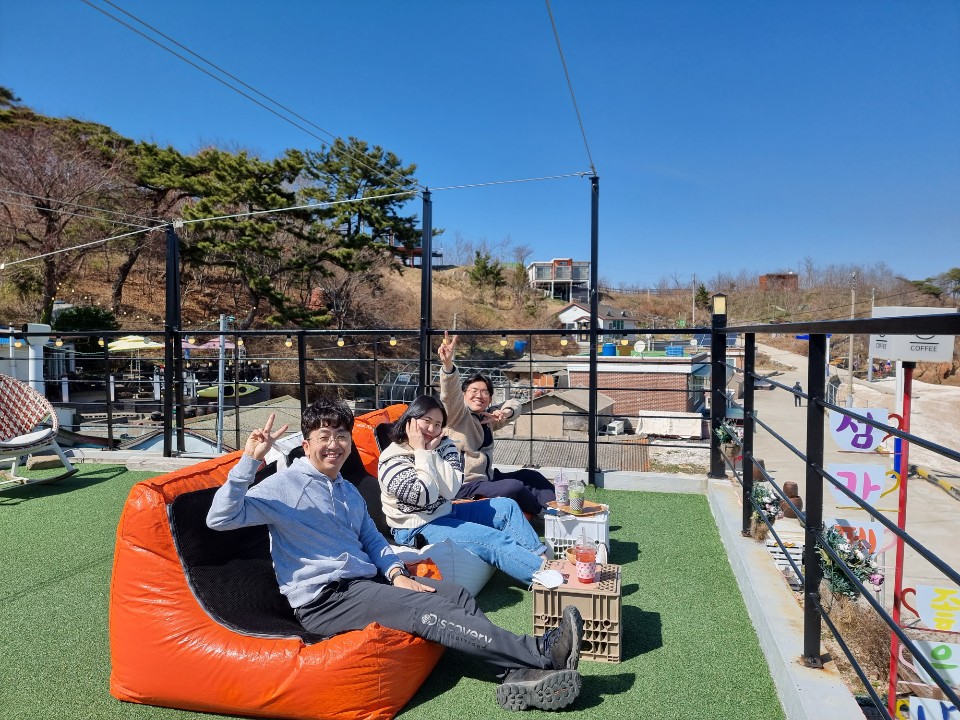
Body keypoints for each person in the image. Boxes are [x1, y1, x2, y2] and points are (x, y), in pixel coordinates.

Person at [206, 399, 584, 712]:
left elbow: (372, 539)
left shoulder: (346, 490)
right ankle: (542, 651)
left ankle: (515, 674)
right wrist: (248, 462)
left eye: (341, 436)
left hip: (365, 583)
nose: (334, 445)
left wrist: (397, 574)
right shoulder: (284, 485)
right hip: (325, 599)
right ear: (306, 445)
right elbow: (221, 518)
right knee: (429, 610)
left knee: (454, 594)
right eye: (324, 437)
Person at [379, 395, 550, 586]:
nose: (432, 429)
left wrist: (431, 453)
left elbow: (451, 491)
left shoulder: (444, 445)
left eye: (438, 424)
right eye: (426, 421)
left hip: (446, 510)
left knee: (506, 507)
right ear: (410, 420)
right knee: (491, 538)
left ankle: (542, 559)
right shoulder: (392, 460)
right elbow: (424, 496)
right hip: (414, 527)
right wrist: (423, 453)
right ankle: (546, 578)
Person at [437, 331, 556, 515]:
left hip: (486, 479)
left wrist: (505, 413)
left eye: (485, 392)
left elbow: (515, 404)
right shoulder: (456, 415)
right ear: (463, 395)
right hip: (463, 485)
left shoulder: (488, 418)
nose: (479, 395)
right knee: (513, 487)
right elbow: (449, 396)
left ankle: (561, 508)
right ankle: (546, 515)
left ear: (490, 399)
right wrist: (448, 366)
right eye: (474, 390)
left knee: (531, 476)